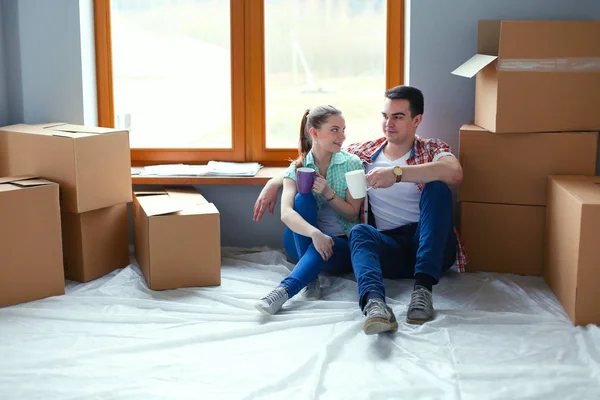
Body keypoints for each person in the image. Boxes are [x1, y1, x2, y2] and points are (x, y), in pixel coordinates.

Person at [253, 85, 468, 334]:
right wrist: (274, 181)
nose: (389, 123)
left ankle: (422, 290)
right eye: (385, 116)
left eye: (398, 116)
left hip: (430, 246)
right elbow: (319, 156)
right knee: (360, 232)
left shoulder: (431, 149)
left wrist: (397, 174)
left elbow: (455, 172)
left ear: (416, 120)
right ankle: (375, 304)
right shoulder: (364, 153)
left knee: (438, 189)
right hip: (390, 247)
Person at [254, 105, 364, 316]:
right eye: (334, 130)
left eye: (343, 129)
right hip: (300, 241)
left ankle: (283, 290)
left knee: (320, 245)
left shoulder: (352, 164)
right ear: (314, 133)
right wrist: (315, 234)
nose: (342, 136)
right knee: (302, 199)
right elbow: (286, 213)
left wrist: (329, 192)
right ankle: (309, 277)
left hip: (339, 245)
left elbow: (352, 214)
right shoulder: (298, 168)